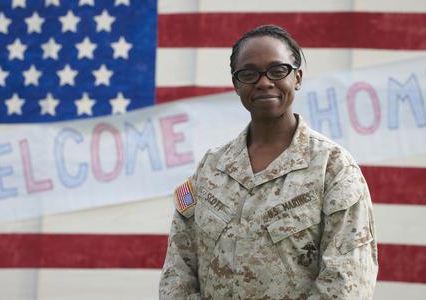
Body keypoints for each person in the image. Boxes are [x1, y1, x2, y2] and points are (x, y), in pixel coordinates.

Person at [159, 24, 378, 299]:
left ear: (297, 77)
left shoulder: (333, 168)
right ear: (236, 84)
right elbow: (178, 269)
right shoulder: (211, 168)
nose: (264, 82)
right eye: (249, 74)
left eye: (277, 71)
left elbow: (346, 282)